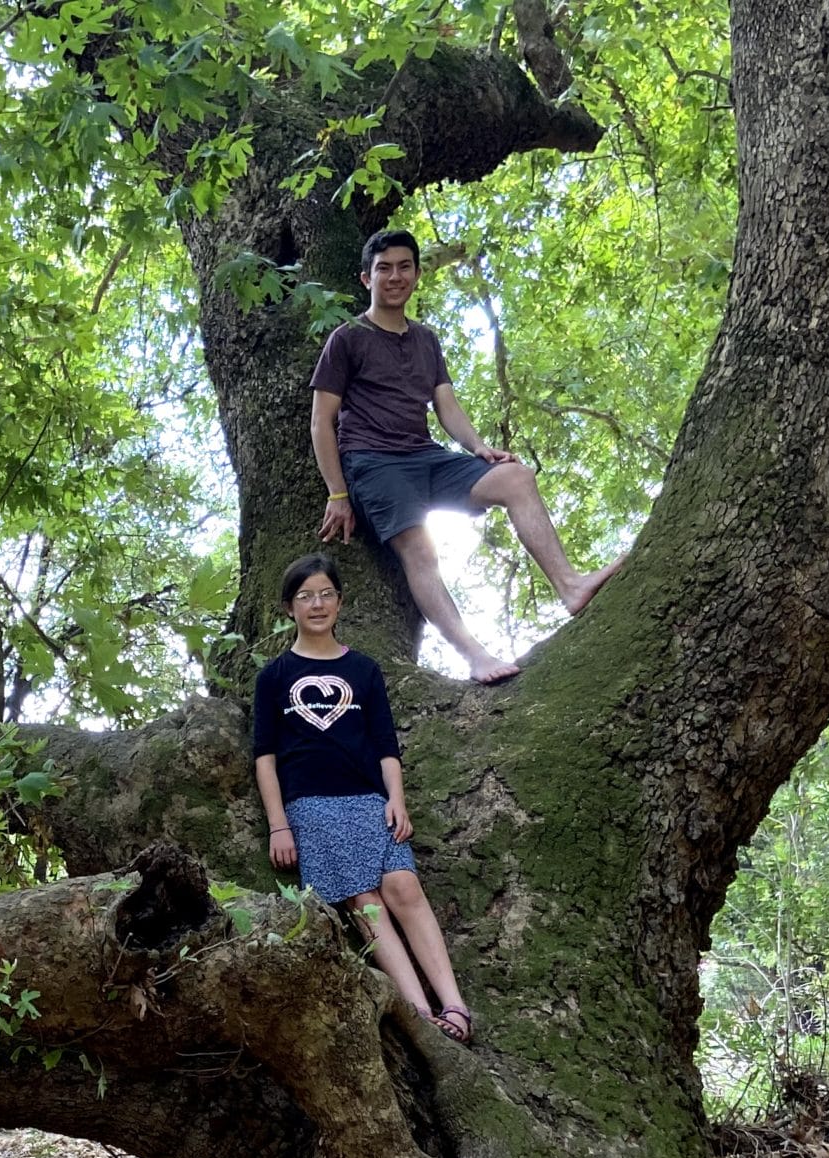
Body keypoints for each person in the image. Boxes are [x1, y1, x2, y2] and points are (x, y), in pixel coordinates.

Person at [310, 229, 620, 685]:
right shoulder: (347, 337)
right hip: (373, 462)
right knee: (420, 547)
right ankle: (473, 654)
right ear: (366, 278)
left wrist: (478, 447)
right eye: (383, 268)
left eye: (403, 267)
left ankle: (570, 586)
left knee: (515, 477)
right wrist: (337, 492)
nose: (394, 276)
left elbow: (446, 405)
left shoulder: (426, 341)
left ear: (415, 274)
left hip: (426, 457)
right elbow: (321, 422)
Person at [252, 552, 478, 1043]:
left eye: (326, 594)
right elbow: (265, 756)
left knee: (404, 887)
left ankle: (454, 1004)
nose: (317, 604)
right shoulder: (274, 676)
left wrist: (396, 799)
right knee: (365, 901)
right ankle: (418, 1011)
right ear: (289, 607)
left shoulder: (364, 670)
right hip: (311, 805)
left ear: (340, 601)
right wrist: (278, 824)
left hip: (370, 799)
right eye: (305, 596)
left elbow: (385, 746)